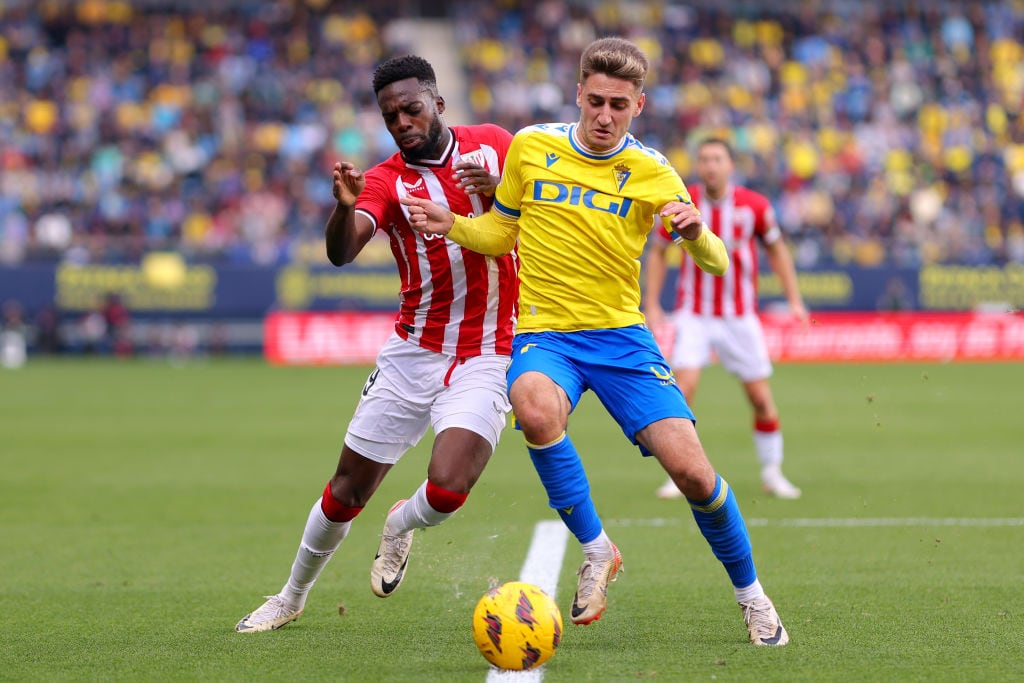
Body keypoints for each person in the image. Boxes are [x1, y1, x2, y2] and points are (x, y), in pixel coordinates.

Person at [402, 37, 789, 646]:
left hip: (622, 340)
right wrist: (455, 224)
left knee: (693, 474)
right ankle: (596, 547)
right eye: (596, 101)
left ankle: (753, 595)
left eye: (619, 105)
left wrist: (697, 233)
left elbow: (715, 261)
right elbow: (502, 233)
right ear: (578, 93)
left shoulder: (653, 170)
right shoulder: (533, 147)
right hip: (546, 335)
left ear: (639, 104)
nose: (605, 116)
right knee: (532, 406)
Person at [235, 55, 518, 633]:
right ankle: (291, 596)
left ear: (438, 104)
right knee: (345, 491)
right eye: (390, 115)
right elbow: (343, 251)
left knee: (446, 487)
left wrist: (506, 191)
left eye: (411, 108)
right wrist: (343, 209)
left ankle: (402, 523)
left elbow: (541, 204)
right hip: (412, 354)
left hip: (490, 353)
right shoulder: (386, 181)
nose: (402, 121)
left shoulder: (495, 145)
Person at [644, 138, 808, 501]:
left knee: (761, 399)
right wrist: (652, 303)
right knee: (682, 391)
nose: (710, 165)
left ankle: (772, 472)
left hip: (739, 317)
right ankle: (678, 473)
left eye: (717, 159)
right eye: (704, 159)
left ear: (730, 165)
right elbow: (657, 251)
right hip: (694, 315)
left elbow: (778, 251)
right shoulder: (683, 205)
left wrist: (795, 300)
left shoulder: (755, 207)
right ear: (698, 166)